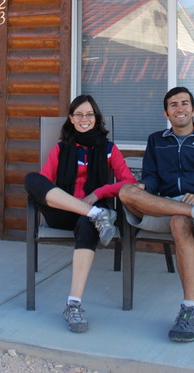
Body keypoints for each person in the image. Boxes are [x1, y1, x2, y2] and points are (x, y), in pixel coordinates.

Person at [118, 86, 194, 343]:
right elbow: (152, 178)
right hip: (167, 205)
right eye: (173, 105)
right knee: (126, 192)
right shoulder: (156, 140)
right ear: (166, 113)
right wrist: (144, 187)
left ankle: (191, 310)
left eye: (184, 103)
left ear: (193, 109)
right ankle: (193, 212)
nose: (179, 108)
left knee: (180, 222)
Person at [24, 95, 137, 333]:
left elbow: (129, 182)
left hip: (92, 215)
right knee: (32, 179)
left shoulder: (109, 149)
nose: (84, 119)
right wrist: (86, 206)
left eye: (89, 114)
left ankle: (73, 305)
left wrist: (98, 193)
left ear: (96, 118)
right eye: (79, 114)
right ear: (71, 118)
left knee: (88, 223)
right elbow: (44, 180)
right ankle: (95, 214)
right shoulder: (60, 148)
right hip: (63, 212)